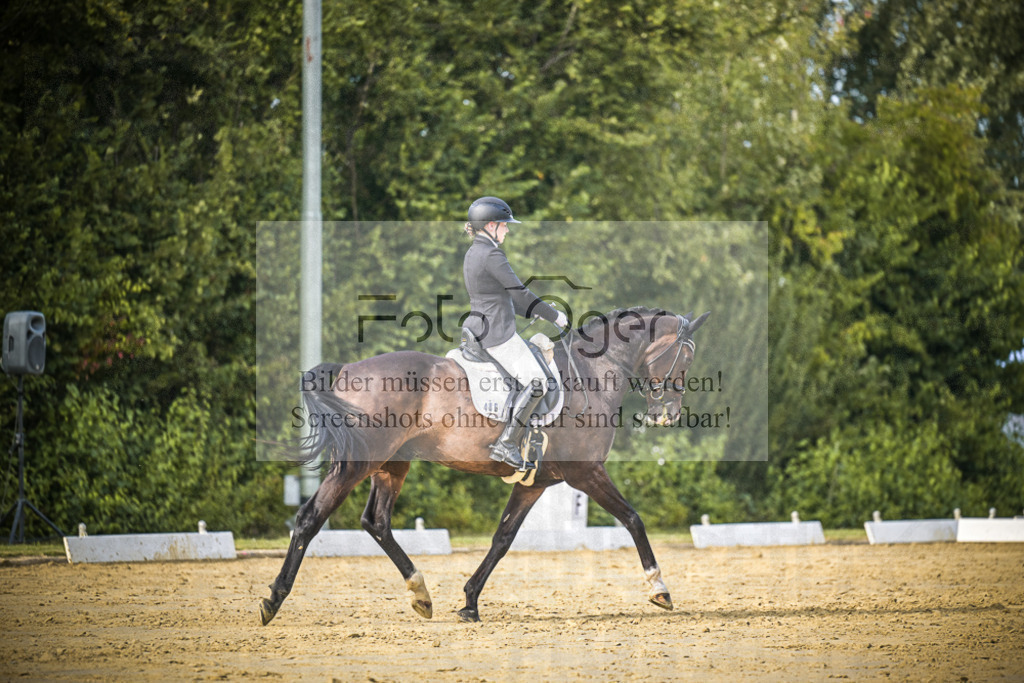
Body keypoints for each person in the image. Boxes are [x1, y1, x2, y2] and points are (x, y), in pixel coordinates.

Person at [462, 196, 568, 470]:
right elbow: (519, 292)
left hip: (479, 327)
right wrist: (554, 316)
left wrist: (531, 312)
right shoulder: (492, 254)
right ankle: (507, 444)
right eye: (504, 225)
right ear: (490, 226)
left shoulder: (474, 251)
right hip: (497, 334)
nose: (507, 230)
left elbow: (497, 297)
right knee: (537, 382)